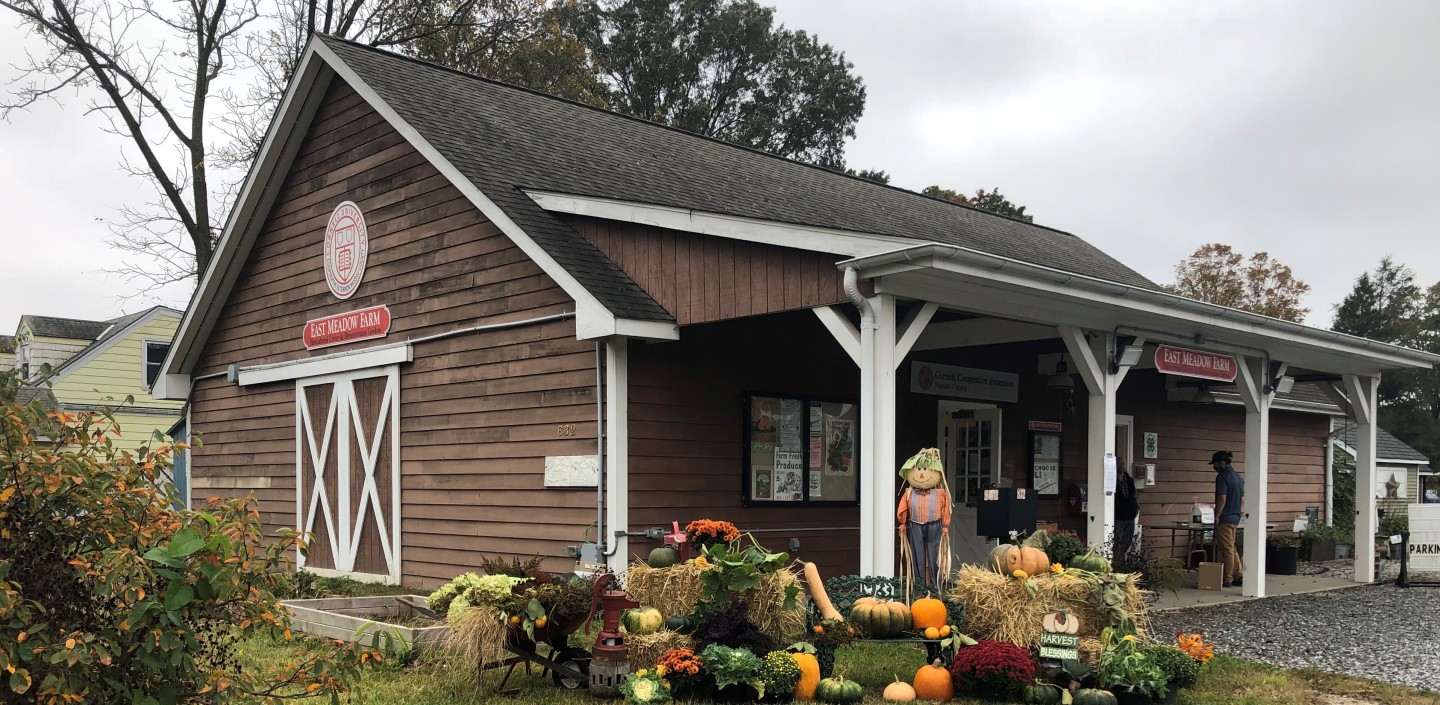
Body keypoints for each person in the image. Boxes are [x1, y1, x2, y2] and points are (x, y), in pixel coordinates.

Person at [1211, 450, 1244, 588]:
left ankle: (1228, 578)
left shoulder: (1222, 477)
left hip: (1225, 517)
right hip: (1235, 515)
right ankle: (1238, 574)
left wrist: (1217, 515)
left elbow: (1222, 497)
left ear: (1222, 462)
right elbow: (1242, 498)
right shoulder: (1238, 477)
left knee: (1226, 549)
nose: (1214, 466)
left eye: (1216, 463)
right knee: (1232, 547)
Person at [1114, 465, 1139, 558]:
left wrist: (1136, 508)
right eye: (1120, 464)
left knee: (1127, 540)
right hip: (1118, 516)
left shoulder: (1129, 480)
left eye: (1123, 464)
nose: (1122, 467)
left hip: (1130, 515)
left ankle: (1121, 558)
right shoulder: (1112, 479)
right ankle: (1116, 560)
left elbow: (1134, 496)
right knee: (1117, 540)